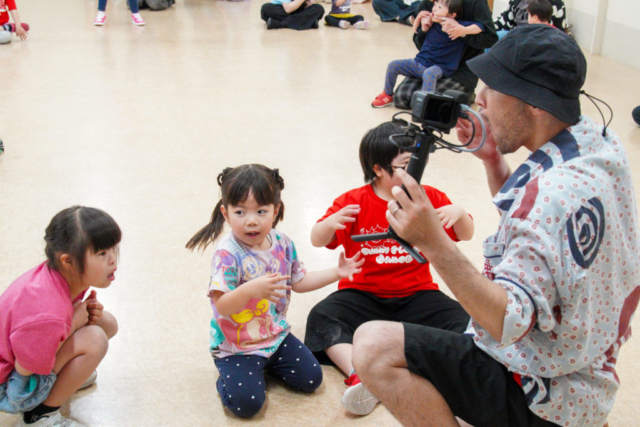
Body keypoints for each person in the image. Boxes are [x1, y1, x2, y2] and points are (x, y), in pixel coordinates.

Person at [351, 25, 640, 427]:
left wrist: (433, 241)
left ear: (534, 102)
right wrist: (492, 159)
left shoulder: (551, 195)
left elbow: (508, 322)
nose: (479, 99)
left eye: (493, 88)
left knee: (372, 345)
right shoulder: (600, 143)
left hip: (544, 394)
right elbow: (541, 229)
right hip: (589, 370)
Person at [305, 122, 473, 416]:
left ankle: (442, 375)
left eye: (418, 163)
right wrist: (328, 224)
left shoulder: (428, 198)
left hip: (417, 294)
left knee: (467, 323)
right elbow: (317, 240)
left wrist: (459, 213)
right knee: (321, 317)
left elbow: (466, 234)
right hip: (362, 294)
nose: (414, 173)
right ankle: (360, 375)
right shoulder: (353, 202)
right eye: (405, 166)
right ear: (378, 169)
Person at [185, 164, 363, 419]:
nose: (251, 220)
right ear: (226, 213)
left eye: (261, 211)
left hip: (275, 336)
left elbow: (299, 281)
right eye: (240, 212)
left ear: (276, 210)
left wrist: (338, 272)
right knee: (247, 405)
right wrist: (251, 289)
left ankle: (262, 367)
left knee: (312, 380)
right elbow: (222, 306)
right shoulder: (227, 253)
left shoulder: (283, 243)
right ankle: (229, 378)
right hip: (237, 345)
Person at [0, 206, 121, 427]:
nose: (113, 259)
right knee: (95, 340)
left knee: (106, 323)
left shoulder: (63, 276)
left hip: (22, 364)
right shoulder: (47, 311)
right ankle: (39, 417)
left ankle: (66, 379)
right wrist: (72, 324)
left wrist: (75, 319)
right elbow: (25, 367)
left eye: (114, 248)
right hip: (12, 388)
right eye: (102, 253)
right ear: (68, 261)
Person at [372, 0, 483, 108]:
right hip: (421, 62)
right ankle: (387, 93)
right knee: (393, 66)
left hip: (441, 67)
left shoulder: (457, 25)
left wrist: (462, 30)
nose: (434, 9)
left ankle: (425, 103)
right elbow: (416, 32)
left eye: (439, 7)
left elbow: (480, 27)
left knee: (429, 75)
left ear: (451, 15)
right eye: (435, 5)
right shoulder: (432, 21)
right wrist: (421, 24)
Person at [495, 0, 567, 34]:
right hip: (517, 39)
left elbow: (560, 34)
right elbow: (502, 22)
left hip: (543, 42)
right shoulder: (516, 2)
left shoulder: (556, 4)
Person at [260, 0, 325, 31]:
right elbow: (288, 9)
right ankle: (308, 22)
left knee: (319, 9)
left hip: (299, 9)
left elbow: (309, 4)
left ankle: (278, 24)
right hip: (281, 8)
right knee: (266, 8)